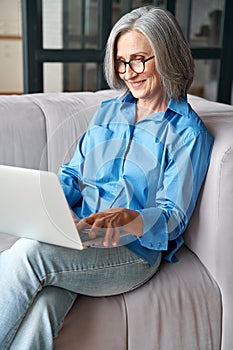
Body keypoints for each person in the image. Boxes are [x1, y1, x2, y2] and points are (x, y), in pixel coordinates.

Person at [0, 6, 214, 349]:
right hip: (81, 233)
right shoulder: (108, 111)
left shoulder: (187, 133)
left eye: (140, 59)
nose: (129, 72)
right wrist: (51, 203)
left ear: (167, 57)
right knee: (44, 305)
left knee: (28, 254)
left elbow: (173, 216)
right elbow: (73, 173)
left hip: (133, 252)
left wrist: (131, 219)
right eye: (121, 61)